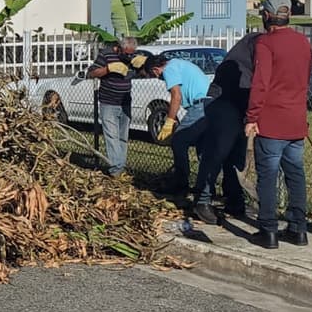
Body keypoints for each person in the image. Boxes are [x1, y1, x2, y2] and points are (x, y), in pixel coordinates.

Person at [243, 0, 312, 250]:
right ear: (289, 15)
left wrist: (252, 117)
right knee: (295, 174)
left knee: (268, 175)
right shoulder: (303, 42)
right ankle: (298, 228)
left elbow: (260, 83)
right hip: (296, 118)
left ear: (267, 15)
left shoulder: (265, 43)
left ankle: (268, 228)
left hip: (272, 120)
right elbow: (306, 76)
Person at [191, 29, 262, 225]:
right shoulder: (254, 45)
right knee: (218, 152)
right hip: (224, 101)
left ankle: (234, 198)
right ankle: (202, 199)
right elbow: (251, 82)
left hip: (239, 104)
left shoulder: (258, 45)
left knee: (235, 155)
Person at [145, 52, 211, 194]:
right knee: (204, 148)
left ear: (155, 69)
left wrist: (169, 121)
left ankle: (181, 183)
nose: (157, 78)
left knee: (179, 141)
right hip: (210, 104)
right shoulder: (177, 64)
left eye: (154, 75)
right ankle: (206, 187)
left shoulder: (169, 69)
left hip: (201, 106)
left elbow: (176, 96)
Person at [87, 34, 147, 181]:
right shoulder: (106, 54)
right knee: (112, 136)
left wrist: (143, 65)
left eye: (131, 53)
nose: (129, 56)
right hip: (108, 102)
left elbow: (144, 74)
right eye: (127, 53)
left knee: (122, 137)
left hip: (125, 102)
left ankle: (120, 166)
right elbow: (91, 73)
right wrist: (108, 69)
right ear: (119, 48)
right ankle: (116, 170)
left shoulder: (134, 57)